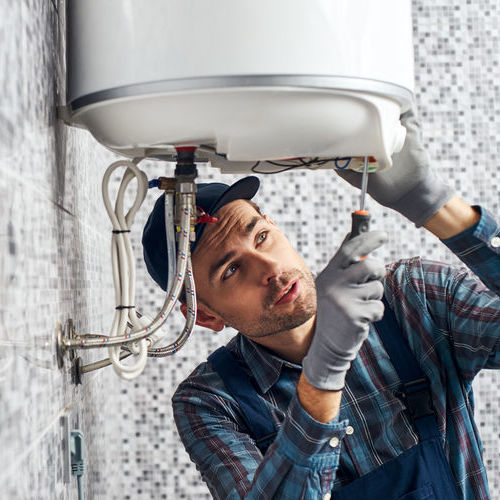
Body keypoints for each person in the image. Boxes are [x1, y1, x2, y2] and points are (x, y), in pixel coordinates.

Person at [142, 108, 500, 499]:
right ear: (206, 315)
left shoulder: (413, 297)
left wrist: (433, 203)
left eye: (261, 236)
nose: (269, 268)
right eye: (230, 270)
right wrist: (323, 374)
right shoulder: (211, 402)